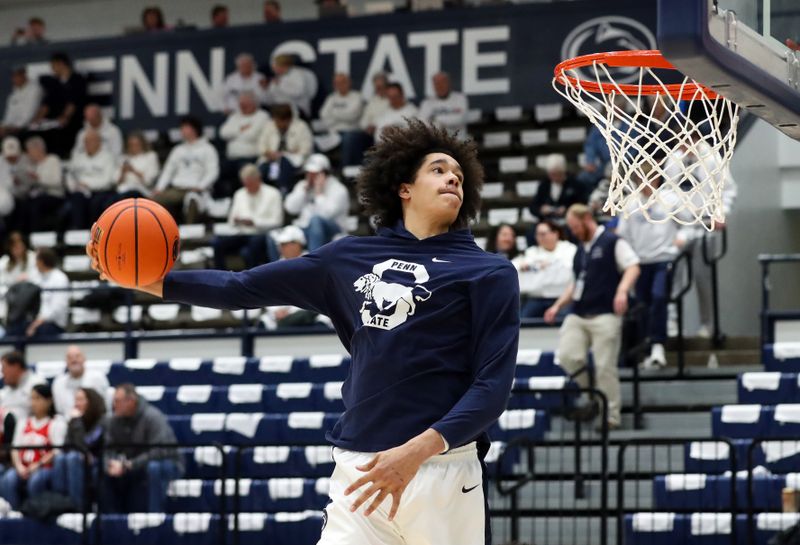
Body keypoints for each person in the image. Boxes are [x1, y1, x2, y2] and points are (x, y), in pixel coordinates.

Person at [87, 119, 519, 544]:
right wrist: (140, 279)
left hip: (440, 469)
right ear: (403, 187)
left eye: (459, 175)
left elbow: (492, 389)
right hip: (359, 466)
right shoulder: (346, 258)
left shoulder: (488, 271)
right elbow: (242, 287)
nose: (453, 180)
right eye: (439, 170)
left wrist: (415, 453)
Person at [544, 204, 640, 430]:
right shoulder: (580, 251)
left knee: (605, 364)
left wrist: (622, 290)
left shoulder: (612, 242)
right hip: (578, 312)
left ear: (587, 218)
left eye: (576, 227)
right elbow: (575, 283)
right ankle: (595, 397)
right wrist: (557, 305)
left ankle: (611, 415)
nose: (574, 232)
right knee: (568, 356)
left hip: (605, 313)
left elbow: (633, 266)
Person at [663, 134, 738, 338]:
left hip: (705, 225)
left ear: (694, 139)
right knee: (673, 276)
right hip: (680, 226)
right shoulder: (673, 158)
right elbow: (667, 190)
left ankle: (708, 326)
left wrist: (721, 213)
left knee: (703, 279)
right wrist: (674, 211)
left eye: (684, 141)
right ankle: (673, 325)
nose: (681, 146)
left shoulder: (712, 158)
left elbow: (728, 190)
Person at [616, 167, 689, 368]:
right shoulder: (631, 203)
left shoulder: (671, 198)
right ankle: (647, 349)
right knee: (642, 305)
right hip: (640, 262)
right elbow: (623, 234)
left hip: (663, 259)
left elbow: (688, 224)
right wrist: (630, 259)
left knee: (659, 298)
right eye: (640, 178)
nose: (644, 181)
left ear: (657, 178)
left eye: (648, 177)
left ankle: (658, 344)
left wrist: (681, 239)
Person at [102, 384, 184, 513]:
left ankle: (155, 518)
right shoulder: (113, 420)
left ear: (131, 401)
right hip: (133, 466)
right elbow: (108, 448)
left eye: (118, 401)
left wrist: (130, 464)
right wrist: (110, 464)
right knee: (101, 470)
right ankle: (110, 523)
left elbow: (161, 451)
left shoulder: (153, 417)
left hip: (167, 464)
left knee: (154, 468)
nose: (114, 404)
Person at [0, 384, 65, 509]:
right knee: (8, 478)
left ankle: (35, 512)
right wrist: (19, 466)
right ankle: (14, 513)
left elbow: (57, 450)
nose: (33, 403)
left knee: (36, 481)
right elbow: (15, 448)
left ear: (49, 401)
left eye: (37, 398)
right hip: (23, 467)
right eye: (32, 398)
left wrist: (38, 464)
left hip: (45, 467)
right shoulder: (24, 422)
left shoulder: (56, 423)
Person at [212, 164, 283, 270]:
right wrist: (236, 220)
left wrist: (254, 222)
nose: (247, 188)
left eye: (250, 184)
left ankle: (252, 280)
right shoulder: (239, 194)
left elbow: (277, 222)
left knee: (250, 248)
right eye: (245, 184)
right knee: (217, 242)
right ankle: (221, 276)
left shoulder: (273, 193)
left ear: (258, 179)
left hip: (261, 233)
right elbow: (231, 220)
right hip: (241, 233)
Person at [153, 116, 219, 224]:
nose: (182, 131)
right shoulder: (178, 150)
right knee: (153, 202)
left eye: (185, 128)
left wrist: (201, 186)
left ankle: (188, 235)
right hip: (177, 189)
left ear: (194, 129)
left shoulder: (208, 149)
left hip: (197, 189)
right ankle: (160, 232)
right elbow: (168, 171)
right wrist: (159, 188)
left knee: (192, 202)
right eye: (182, 128)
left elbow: (213, 172)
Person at [260, 226, 327, 329]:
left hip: (307, 311)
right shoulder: (274, 267)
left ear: (298, 244)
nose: (282, 248)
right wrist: (276, 311)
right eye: (281, 244)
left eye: (286, 244)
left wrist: (290, 312)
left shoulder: (312, 264)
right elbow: (267, 294)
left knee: (324, 318)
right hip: (279, 315)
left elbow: (314, 296)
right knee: (264, 321)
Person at [52, 387, 107, 509]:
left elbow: (88, 443)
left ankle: (77, 508)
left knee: (73, 457)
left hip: (98, 461)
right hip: (77, 460)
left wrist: (77, 423)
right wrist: (75, 422)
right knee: (60, 458)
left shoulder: (103, 420)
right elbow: (67, 444)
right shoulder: (76, 421)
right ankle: (60, 504)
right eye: (76, 400)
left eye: (81, 399)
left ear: (92, 401)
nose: (77, 404)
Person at [283, 153, 350, 251]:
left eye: (314, 173)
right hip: (305, 228)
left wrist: (319, 193)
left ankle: (313, 261)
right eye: (308, 172)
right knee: (277, 236)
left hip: (333, 230)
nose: (310, 176)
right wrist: (303, 191)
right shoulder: (303, 185)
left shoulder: (338, 189)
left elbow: (327, 214)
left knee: (316, 220)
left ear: (325, 173)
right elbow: (290, 208)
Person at [514, 220, 576, 319]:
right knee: (523, 321)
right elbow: (516, 265)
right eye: (537, 235)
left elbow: (566, 270)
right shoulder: (532, 252)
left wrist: (539, 266)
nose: (540, 238)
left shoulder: (569, 249)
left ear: (555, 234)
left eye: (543, 234)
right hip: (536, 298)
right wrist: (534, 266)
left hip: (562, 298)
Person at [30, 53, 87, 158]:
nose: (52, 69)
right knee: (34, 132)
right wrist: (37, 119)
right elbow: (46, 104)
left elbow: (72, 103)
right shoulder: (54, 83)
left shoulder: (77, 80)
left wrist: (64, 117)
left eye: (53, 66)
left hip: (73, 121)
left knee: (61, 133)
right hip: (53, 122)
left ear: (61, 64)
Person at [218, 91, 270, 197]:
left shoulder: (262, 116)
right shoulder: (235, 116)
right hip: (231, 158)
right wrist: (240, 129)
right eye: (241, 105)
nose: (242, 107)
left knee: (244, 171)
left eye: (245, 105)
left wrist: (234, 134)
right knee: (218, 170)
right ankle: (222, 203)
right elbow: (223, 133)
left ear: (253, 104)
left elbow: (251, 135)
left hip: (250, 158)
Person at [256, 104, 312, 194]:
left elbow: (306, 148)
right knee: (262, 170)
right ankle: (264, 194)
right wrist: (268, 152)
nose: (276, 124)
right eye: (275, 120)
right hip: (271, 160)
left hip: (293, 161)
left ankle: (283, 191)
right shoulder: (269, 126)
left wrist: (291, 152)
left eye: (279, 121)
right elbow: (261, 145)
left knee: (283, 163)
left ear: (287, 120)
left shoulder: (301, 127)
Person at [67, 129, 116, 229]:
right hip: (80, 191)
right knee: (77, 198)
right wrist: (74, 186)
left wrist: (87, 183)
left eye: (90, 141)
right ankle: (78, 232)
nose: (87, 144)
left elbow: (107, 181)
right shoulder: (78, 157)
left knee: (95, 203)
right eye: (86, 142)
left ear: (99, 142)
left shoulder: (107, 157)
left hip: (101, 192)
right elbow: (69, 175)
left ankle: (94, 232)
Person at [319, 73, 365, 166]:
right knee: (317, 141)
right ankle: (323, 168)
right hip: (333, 132)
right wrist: (341, 115)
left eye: (342, 82)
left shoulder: (357, 96)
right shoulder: (331, 98)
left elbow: (352, 116)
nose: (339, 85)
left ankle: (344, 169)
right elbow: (323, 115)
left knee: (347, 139)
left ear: (349, 83)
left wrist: (334, 113)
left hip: (351, 132)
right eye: (337, 83)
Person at [51, 345, 111, 417]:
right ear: (65, 361)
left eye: (77, 356)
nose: (74, 360)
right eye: (69, 357)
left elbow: (105, 405)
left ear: (84, 359)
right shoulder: (58, 383)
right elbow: (59, 411)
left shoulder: (98, 378)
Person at [528, 153, 585, 222]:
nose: (553, 177)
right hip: (548, 221)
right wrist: (541, 210)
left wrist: (567, 209)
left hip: (569, 221)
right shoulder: (544, 184)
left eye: (556, 174)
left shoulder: (575, 184)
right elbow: (533, 206)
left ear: (563, 171)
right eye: (551, 174)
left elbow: (582, 204)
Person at [23, 136, 64, 233]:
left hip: (55, 195)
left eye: (29, 150)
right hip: (38, 196)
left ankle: (36, 234)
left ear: (38, 149)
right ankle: (23, 235)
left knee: (36, 205)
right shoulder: (34, 164)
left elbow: (57, 181)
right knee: (24, 204)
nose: (28, 154)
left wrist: (38, 178)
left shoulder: (53, 160)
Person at [0, 232, 39, 327]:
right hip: (9, 298)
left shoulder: (33, 258)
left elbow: (38, 280)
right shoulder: (4, 262)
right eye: (14, 248)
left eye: (20, 247)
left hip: (28, 298)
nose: (17, 251)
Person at [263, 54, 318, 119]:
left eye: (276, 66)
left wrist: (280, 84)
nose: (274, 68)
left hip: (297, 110)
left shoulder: (297, 75)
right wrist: (265, 89)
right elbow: (270, 100)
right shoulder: (276, 78)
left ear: (284, 66)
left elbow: (298, 93)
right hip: (279, 111)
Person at [0, 351, 46, 425]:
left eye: (4, 367)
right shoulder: (6, 390)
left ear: (15, 367)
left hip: (33, 431)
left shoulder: (37, 383)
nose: (2, 372)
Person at [418, 72, 469, 138]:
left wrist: (436, 121)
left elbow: (460, 119)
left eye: (443, 82)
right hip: (437, 143)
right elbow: (421, 123)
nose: (440, 86)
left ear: (449, 84)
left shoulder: (460, 98)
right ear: (433, 86)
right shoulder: (427, 103)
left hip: (459, 142)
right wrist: (443, 123)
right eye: (437, 84)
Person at [115, 132, 160, 199]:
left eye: (137, 145)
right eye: (131, 145)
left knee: (131, 194)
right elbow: (116, 183)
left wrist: (134, 171)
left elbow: (149, 182)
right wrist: (123, 172)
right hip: (122, 191)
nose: (133, 147)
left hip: (142, 191)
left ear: (143, 144)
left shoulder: (151, 156)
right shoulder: (123, 158)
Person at [0, 67, 42, 138]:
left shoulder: (34, 89)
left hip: (28, 129)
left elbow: (29, 114)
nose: (14, 80)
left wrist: (12, 128)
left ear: (23, 76)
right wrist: (4, 126)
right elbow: (9, 114)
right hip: (12, 129)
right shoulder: (14, 93)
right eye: (13, 77)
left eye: (16, 76)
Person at [359, 72, 390, 140]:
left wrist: (376, 126)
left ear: (386, 85)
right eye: (377, 87)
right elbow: (363, 120)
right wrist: (367, 127)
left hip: (385, 132)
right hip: (369, 134)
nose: (378, 89)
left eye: (381, 87)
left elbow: (391, 118)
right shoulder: (372, 101)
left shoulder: (392, 100)